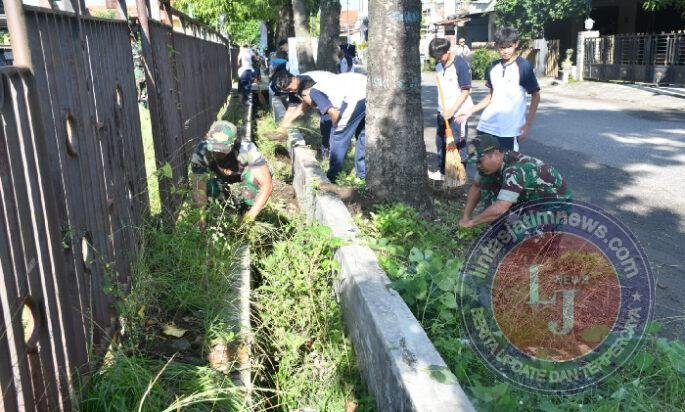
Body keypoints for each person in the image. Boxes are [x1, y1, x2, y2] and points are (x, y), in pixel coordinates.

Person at [458, 134, 571, 229]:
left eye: (480, 161)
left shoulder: (516, 170)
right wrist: (466, 217)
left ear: (496, 154)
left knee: (523, 236)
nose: (477, 166)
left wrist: (471, 223)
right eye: (475, 163)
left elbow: (500, 209)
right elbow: (476, 187)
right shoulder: (488, 167)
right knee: (487, 188)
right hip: (528, 198)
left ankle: (547, 237)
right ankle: (500, 226)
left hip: (553, 206)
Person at [457, 27, 541, 151]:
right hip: (486, 125)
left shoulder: (523, 66)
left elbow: (536, 95)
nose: (506, 51)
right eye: (502, 47)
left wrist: (527, 125)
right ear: (496, 46)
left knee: (506, 161)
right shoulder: (492, 67)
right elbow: (492, 95)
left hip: (509, 129)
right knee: (483, 161)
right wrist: (470, 110)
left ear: (516, 44)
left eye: (509, 47)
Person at [190, 121, 273, 222]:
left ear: (234, 142)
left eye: (222, 150)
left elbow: (267, 184)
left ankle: (246, 209)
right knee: (210, 187)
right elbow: (199, 186)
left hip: (242, 174)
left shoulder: (246, 149)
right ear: (207, 138)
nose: (217, 152)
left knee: (253, 179)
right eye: (214, 149)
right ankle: (223, 214)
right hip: (218, 177)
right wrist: (201, 216)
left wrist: (250, 216)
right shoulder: (201, 151)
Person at [428, 37, 473, 181]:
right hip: (442, 112)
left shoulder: (460, 64)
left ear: (448, 51)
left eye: (440, 56)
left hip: (458, 113)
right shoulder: (439, 66)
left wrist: (452, 110)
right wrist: (443, 111)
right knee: (441, 142)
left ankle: (458, 177)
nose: (438, 59)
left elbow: (466, 91)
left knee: (457, 144)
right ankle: (442, 172)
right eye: (436, 57)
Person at [270, 69, 337, 158]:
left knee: (328, 126)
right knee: (325, 128)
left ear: (293, 79)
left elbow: (304, 107)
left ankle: (332, 152)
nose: (290, 91)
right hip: (325, 104)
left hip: (334, 101)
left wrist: (286, 124)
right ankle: (327, 148)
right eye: (287, 91)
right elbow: (291, 109)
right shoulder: (293, 88)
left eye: (289, 89)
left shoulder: (307, 83)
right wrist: (282, 127)